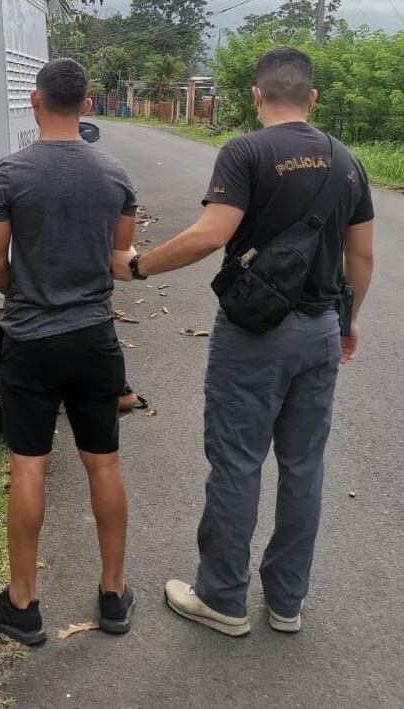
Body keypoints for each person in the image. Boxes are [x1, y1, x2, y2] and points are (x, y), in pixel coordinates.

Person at [115, 48, 375, 636]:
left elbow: (212, 235)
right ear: (312, 97)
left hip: (255, 334)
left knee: (236, 462)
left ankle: (223, 599)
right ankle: (287, 603)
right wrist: (349, 319)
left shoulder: (245, 151)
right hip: (320, 331)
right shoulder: (348, 162)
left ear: (257, 95)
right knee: (304, 467)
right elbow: (361, 255)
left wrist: (139, 268)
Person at [0, 58, 139, 645]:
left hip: (30, 338)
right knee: (105, 464)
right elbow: (121, 260)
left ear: (36, 102)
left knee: (28, 466)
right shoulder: (115, 175)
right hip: (95, 338)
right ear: (88, 106)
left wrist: (21, 293)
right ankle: (115, 595)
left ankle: (22, 604)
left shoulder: (9, 174)